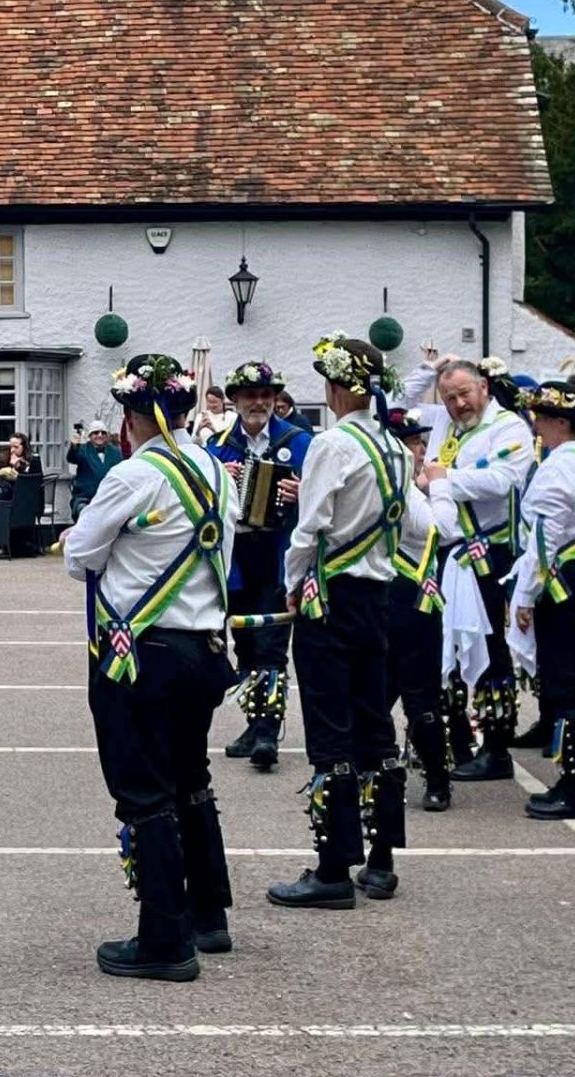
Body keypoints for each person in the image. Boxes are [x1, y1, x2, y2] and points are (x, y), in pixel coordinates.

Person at [63, 353, 235, 982]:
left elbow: (79, 556)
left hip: (142, 655)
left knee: (144, 789)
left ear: (131, 414)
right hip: (204, 651)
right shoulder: (218, 471)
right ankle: (208, 914)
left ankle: (164, 940)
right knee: (191, 774)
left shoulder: (135, 475)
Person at [269, 334, 409, 911]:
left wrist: (292, 581)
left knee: (331, 726)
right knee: (374, 720)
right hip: (379, 594)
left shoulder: (332, 443)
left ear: (335, 387)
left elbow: (311, 525)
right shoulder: (395, 447)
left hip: (331, 596)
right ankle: (381, 862)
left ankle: (331, 870)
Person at [422, 355, 535, 781]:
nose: (458, 404)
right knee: (446, 645)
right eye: (450, 397)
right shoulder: (446, 426)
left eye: (464, 394)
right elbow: (427, 468)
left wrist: (443, 480)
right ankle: (457, 741)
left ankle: (497, 747)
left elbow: (503, 479)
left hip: (489, 554)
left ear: (484, 388)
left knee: (490, 651)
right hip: (447, 550)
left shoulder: (509, 428)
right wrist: (439, 479)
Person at [506, 385, 575, 820]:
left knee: (569, 686)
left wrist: (526, 595)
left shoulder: (562, 466)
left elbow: (544, 538)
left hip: (564, 582)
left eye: (542, 418)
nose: (536, 425)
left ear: (562, 423)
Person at [206, 361, 311, 775]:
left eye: (266, 396)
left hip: (278, 553)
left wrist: (303, 490)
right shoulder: (216, 447)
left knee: (271, 645)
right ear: (234, 401)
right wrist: (218, 482)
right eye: (250, 396)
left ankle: (268, 731)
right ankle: (254, 724)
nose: (259, 402)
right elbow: (199, 504)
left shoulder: (299, 442)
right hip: (236, 559)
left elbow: (326, 498)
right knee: (244, 645)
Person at [384, 409, 453, 812]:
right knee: (420, 696)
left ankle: (380, 773)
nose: (423, 450)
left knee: (381, 694)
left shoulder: (379, 484)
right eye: (415, 443)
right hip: (412, 604)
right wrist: (441, 486)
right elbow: (443, 529)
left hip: (379, 600)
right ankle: (437, 782)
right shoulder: (406, 492)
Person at [68, 422, 124, 516]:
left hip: (109, 499)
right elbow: (71, 458)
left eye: (103, 433)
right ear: (90, 436)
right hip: (85, 498)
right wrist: (74, 446)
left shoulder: (115, 452)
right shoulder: (82, 449)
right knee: (84, 514)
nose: (100, 435)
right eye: (96, 432)